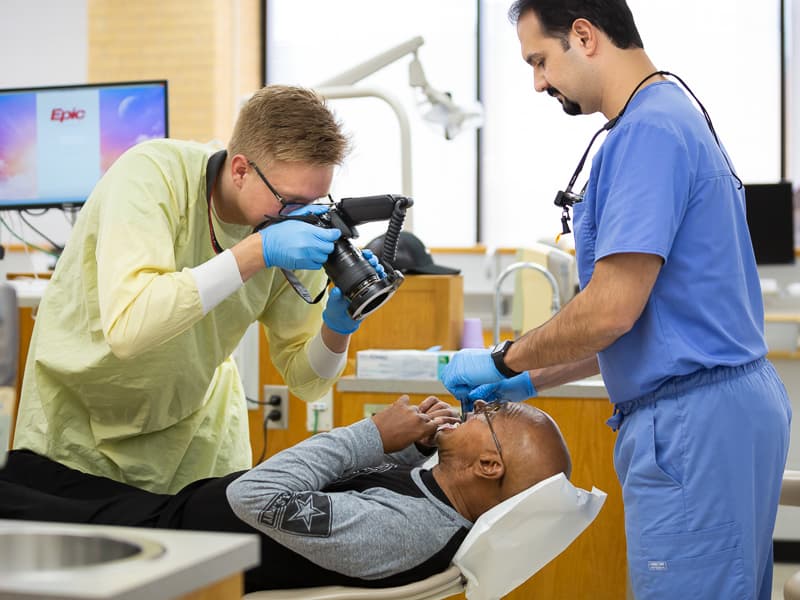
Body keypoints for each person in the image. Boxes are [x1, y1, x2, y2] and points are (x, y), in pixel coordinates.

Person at [440, 2, 792, 599]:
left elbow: (609, 311)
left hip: (692, 425)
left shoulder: (647, 133)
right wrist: (528, 381)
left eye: (540, 61)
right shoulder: (669, 115)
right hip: (718, 412)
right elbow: (638, 322)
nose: (538, 83)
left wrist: (505, 359)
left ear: (584, 35)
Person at [13, 85, 387, 494]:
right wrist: (253, 253)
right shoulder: (151, 176)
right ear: (241, 170)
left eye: (316, 201)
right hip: (80, 423)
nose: (304, 217)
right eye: (290, 201)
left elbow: (306, 381)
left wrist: (337, 328)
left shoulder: (293, 227)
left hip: (194, 438)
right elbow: (130, 328)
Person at [0, 396, 571, 592]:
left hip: (175, 552)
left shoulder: (401, 533)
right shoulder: (440, 496)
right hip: (178, 514)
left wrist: (371, 434)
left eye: (485, 414)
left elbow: (258, 496)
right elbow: (391, 483)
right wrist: (411, 442)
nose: (470, 408)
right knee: (24, 469)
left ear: (490, 464)